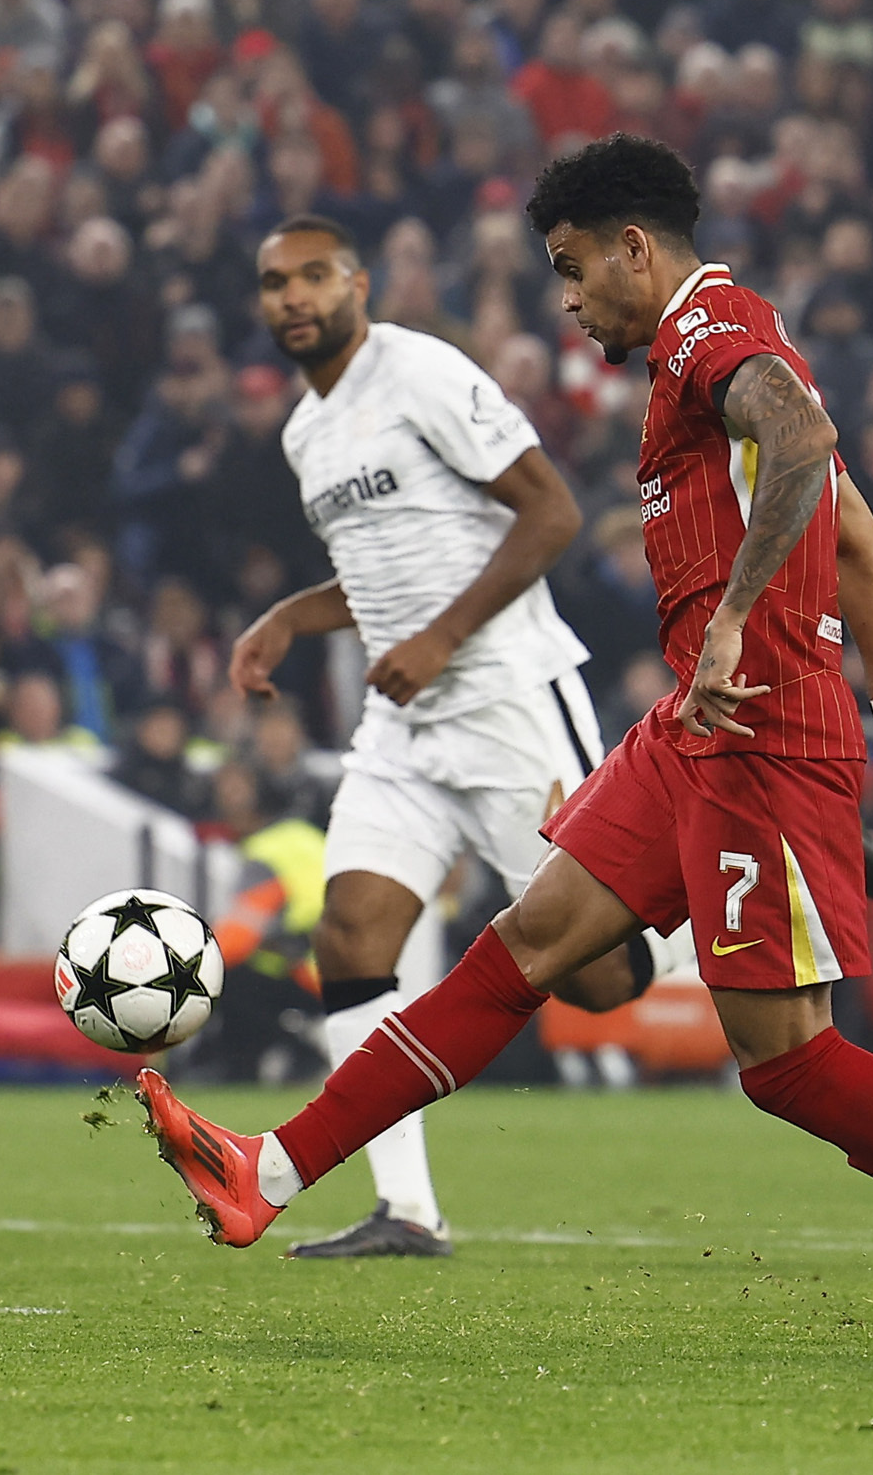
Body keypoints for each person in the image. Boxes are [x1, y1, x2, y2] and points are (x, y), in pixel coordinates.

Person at [136, 141, 873, 1350]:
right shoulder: (690, 357)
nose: (566, 300)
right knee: (524, 946)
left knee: (785, 1066)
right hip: (694, 730)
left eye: (571, 271)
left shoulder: (712, 330)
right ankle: (270, 1170)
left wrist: (736, 625)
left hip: (760, 736)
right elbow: (861, 537)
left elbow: (808, 441)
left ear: (634, 249)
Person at [205, 212, 641, 1260]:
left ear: (357, 283)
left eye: (314, 276)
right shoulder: (304, 433)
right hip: (401, 722)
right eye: (275, 283)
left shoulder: (424, 374)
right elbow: (384, 571)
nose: (294, 297)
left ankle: (759, 848)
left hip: (502, 697)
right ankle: (405, 1207)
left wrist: (443, 638)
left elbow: (551, 512)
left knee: (598, 981)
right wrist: (286, 618)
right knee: (350, 935)